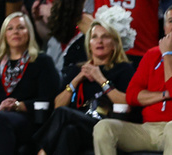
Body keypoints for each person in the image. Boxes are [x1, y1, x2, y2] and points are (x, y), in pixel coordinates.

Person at [93, 4, 172, 155]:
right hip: (147, 129)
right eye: (171, 21)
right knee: (104, 127)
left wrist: (168, 54)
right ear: (164, 28)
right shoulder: (151, 55)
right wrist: (165, 94)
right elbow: (132, 95)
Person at [0, 12, 60, 155]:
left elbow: (48, 98)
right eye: (10, 28)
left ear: (29, 33)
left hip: (26, 117)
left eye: (21, 28)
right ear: (4, 35)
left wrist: (17, 106)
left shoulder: (42, 61)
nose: (15, 32)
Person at [35, 21, 134, 155]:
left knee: (65, 114)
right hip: (81, 126)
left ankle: (41, 151)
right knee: (68, 131)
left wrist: (101, 79)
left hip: (106, 126)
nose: (99, 41)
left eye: (105, 36)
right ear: (89, 45)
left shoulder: (123, 69)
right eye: (94, 37)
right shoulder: (77, 70)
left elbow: (127, 102)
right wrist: (76, 81)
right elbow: (58, 105)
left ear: (114, 45)